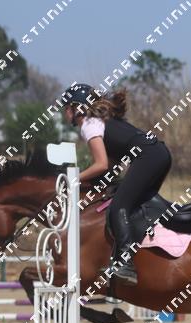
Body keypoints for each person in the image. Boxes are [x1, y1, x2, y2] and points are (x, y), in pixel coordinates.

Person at [62, 83, 172, 285]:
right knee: (135, 206)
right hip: (159, 154)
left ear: (75, 108)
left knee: (118, 206)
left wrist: (73, 179)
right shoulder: (103, 121)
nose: (64, 113)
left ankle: (125, 264)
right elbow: (111, 165)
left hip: (148, 157)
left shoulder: (89, 125)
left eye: (66, 108)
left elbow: (101, 164)